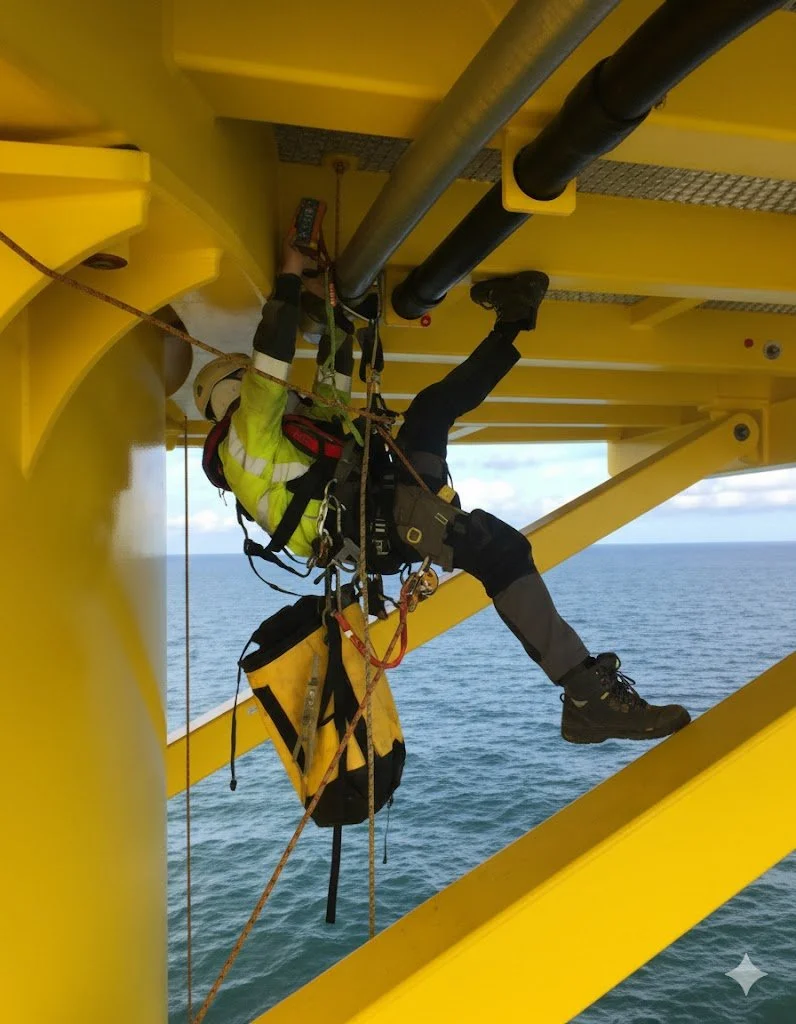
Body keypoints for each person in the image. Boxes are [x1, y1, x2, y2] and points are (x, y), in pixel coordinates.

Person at [195, 225, 691, 745]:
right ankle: (587, 697)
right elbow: (270, 359)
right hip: (377, 519)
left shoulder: (276, 439)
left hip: (386, 497)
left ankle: (514, 320)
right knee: (498, 551)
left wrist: (335, 304)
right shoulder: (245, 439)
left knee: (432, 408)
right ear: (234, 391)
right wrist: (292, 275)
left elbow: (331, 383)